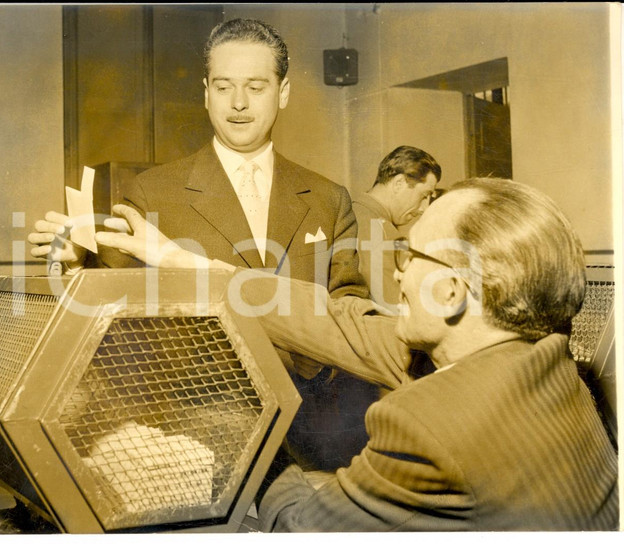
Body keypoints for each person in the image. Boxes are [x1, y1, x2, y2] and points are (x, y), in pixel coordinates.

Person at [97, 177, 619, 531]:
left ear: (453, 292)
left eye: (409, 254)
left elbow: (303, 528)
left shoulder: (424, 424)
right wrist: (176, 259)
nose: (396, 272)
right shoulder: (549, 364)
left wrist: (259, 453)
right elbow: (332, 318)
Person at [29, 18, 373, 472]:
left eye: (256, 86)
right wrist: (76, 261)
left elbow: (352, 307)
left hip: (315, 435)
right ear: (205, 91)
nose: (238, 103)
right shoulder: (154, 193)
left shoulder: (329, 198)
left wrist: (312, 360)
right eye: (224, 85)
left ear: (283, 92)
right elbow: (112, 307)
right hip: (203, 436)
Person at [354, 146, 441, 314]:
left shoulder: (357, 213)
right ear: (398, 183)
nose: (424, 208)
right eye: (424, 195)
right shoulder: (376, 229)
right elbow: (393, 309)